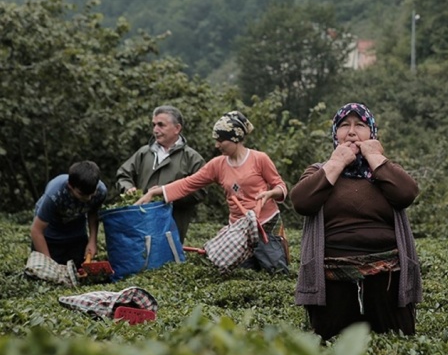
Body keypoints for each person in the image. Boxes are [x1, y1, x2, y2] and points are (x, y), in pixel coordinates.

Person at [289, 102, 422, 341]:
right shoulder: (320, 170)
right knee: (329, 345)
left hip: (387, 279)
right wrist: (337, 163)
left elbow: (407, 194)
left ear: (371, 133)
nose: (351, 132)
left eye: (360, 125)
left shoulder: (384, 170)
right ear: (335, 134)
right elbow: (301, 202)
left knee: (395, 342)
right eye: (344, 126)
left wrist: (374, 157)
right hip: (332, 282)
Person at [135, 110, 290, 274]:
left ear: (234, 138)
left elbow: (281, 186)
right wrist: (155, 192)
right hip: (239, 229)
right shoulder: (218, 165)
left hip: (265, 223)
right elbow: (189, 183)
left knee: (275, 269)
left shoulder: (259, 159)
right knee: (242, 274)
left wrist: (270, 194)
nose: (217, 145)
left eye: (221, 140)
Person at [115, 105, 206, 244]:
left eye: (161, 125)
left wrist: (166, 193)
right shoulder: (144, 153)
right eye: (154, 125)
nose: (155, 130)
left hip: (172, 228)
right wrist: (128, 189)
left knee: (166, 261)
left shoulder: (192, 158)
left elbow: (200, 191)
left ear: (177, 128)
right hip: (140, 225)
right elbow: (123, 175)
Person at [31, 160, 108, 268]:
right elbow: (36, 230)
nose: (88, 198)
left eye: (91, 193)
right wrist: (49, 265)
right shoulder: (54, 194)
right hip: (50, 236)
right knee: (46, 274)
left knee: (79, 272)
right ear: (70, 186)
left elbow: (93, 213)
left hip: (76, 235)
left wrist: (92, 241)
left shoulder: (100, 191)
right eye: (82, 194)